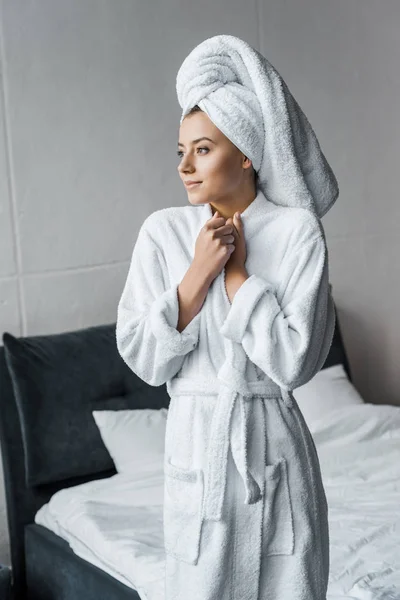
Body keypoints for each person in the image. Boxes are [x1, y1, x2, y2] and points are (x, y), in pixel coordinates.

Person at [116, 34, 338, 600]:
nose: (185, 166)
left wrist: (237, 277)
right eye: (181, 151)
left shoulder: (297, 233)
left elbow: (294, 362)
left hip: (275, 451)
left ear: (245, 153)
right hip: (199, 452)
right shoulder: (164, 234)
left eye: (203, 150)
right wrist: (197, 276)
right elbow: (143, 358)